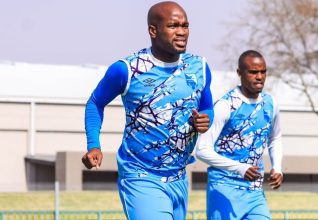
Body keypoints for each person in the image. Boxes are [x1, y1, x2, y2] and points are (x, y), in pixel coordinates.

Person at [81, 1, 214, 219]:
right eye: (173, 26)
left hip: (178, 177)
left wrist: (205, 119)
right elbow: (95, 103)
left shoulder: (199, 67)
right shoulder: (126, 70)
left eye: (185, 25)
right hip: (140, 174)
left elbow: (206, 106)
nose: (181, 32)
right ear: (153, 30)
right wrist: (94, 145)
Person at [196, 50, 283, 220]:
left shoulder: (270, 103)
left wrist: (277, 168)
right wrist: (239, 168)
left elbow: (275, 138)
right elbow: (202, 149)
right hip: (224, 190)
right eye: (253, 72)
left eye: (263, 71)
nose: (259, 77)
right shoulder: (225, 105)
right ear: (239, 73)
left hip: (254, 192)